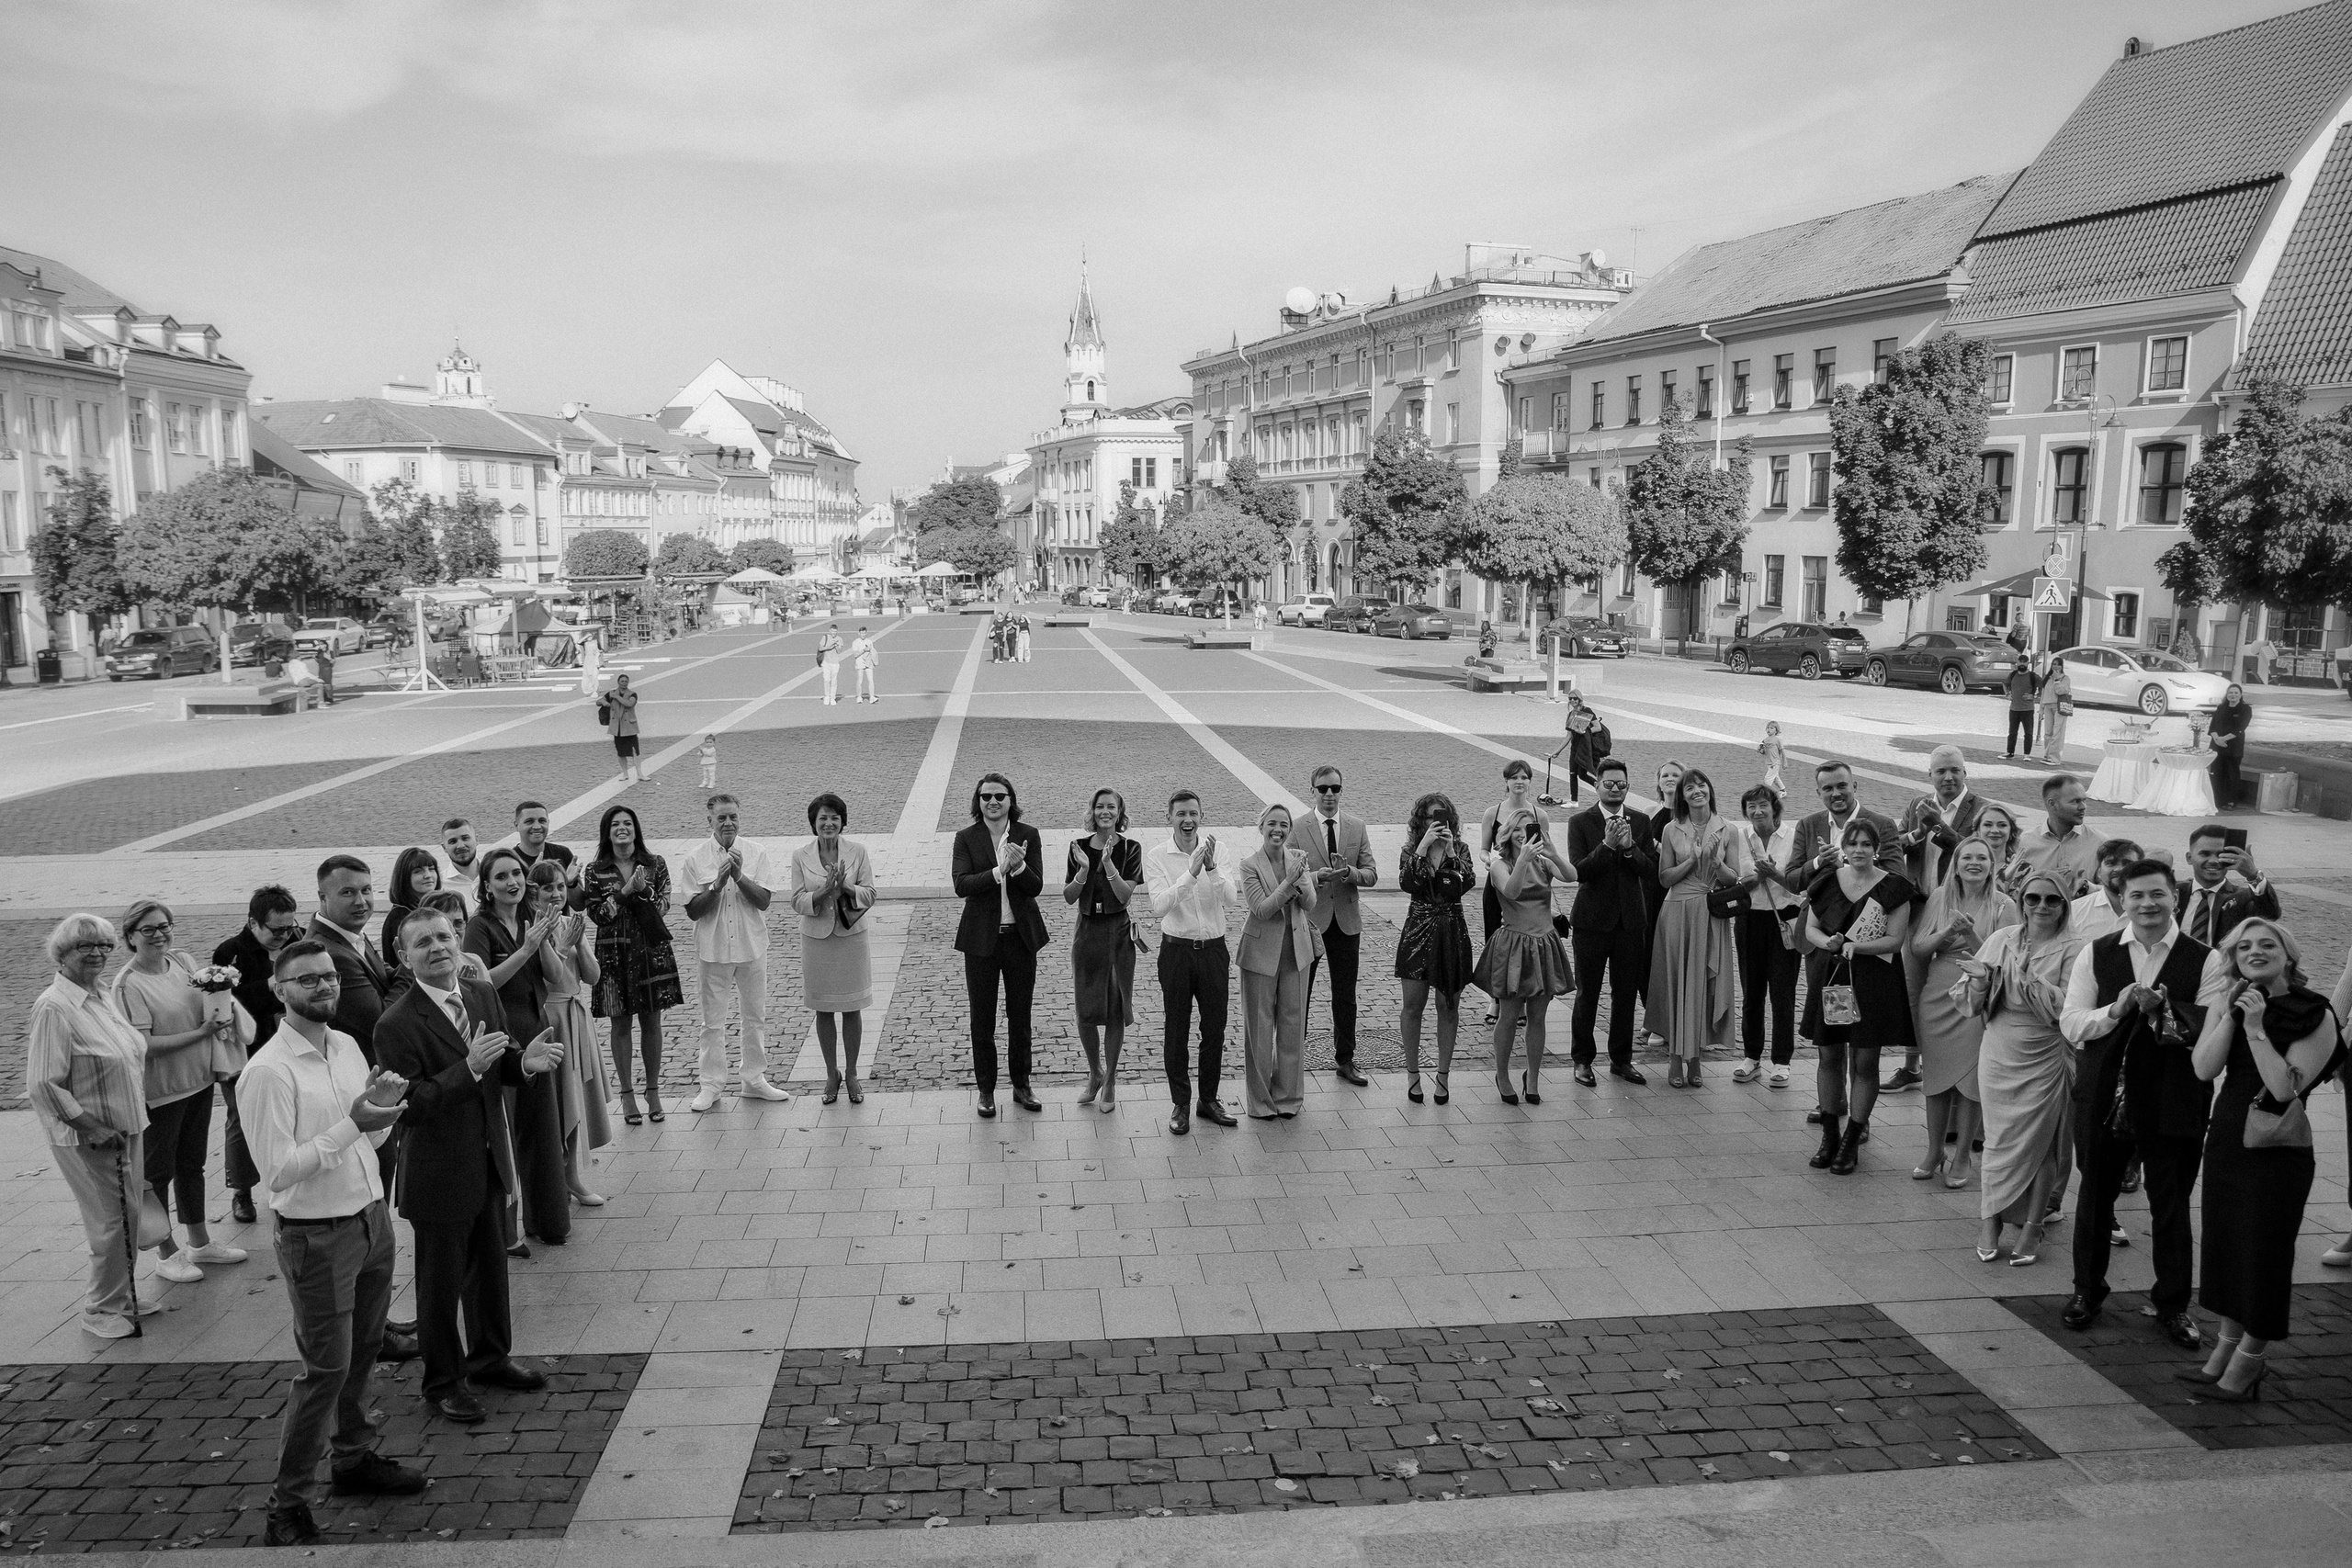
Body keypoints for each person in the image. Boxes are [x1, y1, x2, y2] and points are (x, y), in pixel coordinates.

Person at [239, 939, 424, 1546]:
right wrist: (356, 1121)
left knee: (366, 1347)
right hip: (316, 1237)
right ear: (278, 988)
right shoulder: (269, 1070)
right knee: (325, 1369)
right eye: (305, 980)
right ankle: (285, 1506)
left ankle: (351, 1458)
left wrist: (380, 1109)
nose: (322, 986)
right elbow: (279, 1171)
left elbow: (364, 1140)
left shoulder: (344, 1044)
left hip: (370, 1220)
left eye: (326, 977)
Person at [372, 908, 564, 1425]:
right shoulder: (396, 1023)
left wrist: (522, 1064)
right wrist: (470, 1067)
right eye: (423, 943)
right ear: (404, 956)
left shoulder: (480, 994)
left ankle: (490, 1359)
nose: (437, 948)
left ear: (458, 939)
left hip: (487, 1157)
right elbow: (410, 1105)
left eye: (443, 936)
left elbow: (501, 1056)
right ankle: (442, 1382)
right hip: (437, 1170)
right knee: (440, 1282)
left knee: (490, 1268)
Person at [2057, 859, 2226, 1347]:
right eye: (2137, 896)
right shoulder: (2098, 952)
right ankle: (2087, 1292)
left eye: (2157, 894)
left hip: (2175, 1095)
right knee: (2095, 1197)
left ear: (2175, 896)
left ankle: (2173, 1305)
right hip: (2103, 1092)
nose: (2148, 904)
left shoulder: (2205, 958)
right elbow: (2072, 1023)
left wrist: (2165, 1011)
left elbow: (2210, 1029)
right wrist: (2119, 1007)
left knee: (2170, 1202)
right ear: (2122, 901)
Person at [2181, 919, 2345, 1398]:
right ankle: (2224, 1348)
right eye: (2244, 946)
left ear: (2288, 955)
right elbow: (2203, 1067)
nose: (2255, 951)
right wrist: (2233, 1015)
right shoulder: (2230, 1002)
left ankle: (2250, 1360)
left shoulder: (2316, 1013)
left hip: (2276, 1150)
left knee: (2265, 1255)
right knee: (2230, 1247)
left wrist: (2255, 1028)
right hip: (2229, 1139)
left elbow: (2284, 1089)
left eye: (2267, 944)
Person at [112, 897, 253, 1284]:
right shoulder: (128, 984)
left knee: (192, 1165)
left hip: (199, 1081)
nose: (159, 935)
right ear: (130, 937)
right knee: (156, 1174)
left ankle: (200, 1241)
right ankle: (165, 1252)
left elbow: (207, 1003)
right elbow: (144, 1046)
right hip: (162, 1091)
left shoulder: (184, 962)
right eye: (149, 930)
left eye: (164, 926)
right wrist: (201, 1034)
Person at [28, 914, 152, 1339]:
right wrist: (92, 1126)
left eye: (104, 945)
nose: (97, 953)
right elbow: (43, 1082)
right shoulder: (55, 1006)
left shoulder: (99, 993)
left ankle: (124, 1294)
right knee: (110, 1221)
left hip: (127, 1125)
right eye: (86, 947)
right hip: (90, 1136)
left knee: (128, 1214)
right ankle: (100, 1308)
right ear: (62, 954)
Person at [1965, 869, 2078, 1264]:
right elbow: (1969, 1002)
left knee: (2041, 1145)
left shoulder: (2076, 948)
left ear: (2064, 904)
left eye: (2051, 900)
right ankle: (1990, 1219)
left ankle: (2033, 1225)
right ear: (2021, 902)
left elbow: (2070, 1008)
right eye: (2033, 899)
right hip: (1999, 1049)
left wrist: (2032, 980)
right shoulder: (2001, 939)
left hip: (2045, 1053)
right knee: (1996, 1140)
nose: (2041, 906)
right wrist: (1981, 982)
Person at [461, 848, 571, 1252]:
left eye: (517, 875)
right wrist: (524, 949)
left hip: (537, 1029)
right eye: (502, 877)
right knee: (505, 1135)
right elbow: (478, 982)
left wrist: (541, 941)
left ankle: (549, 1220)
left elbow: (556, 977)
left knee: (543, 1129)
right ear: (486, 887)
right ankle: (505, 1234)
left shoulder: (531, 916)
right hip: (501, 1034)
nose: (513, 882)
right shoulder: (480, 927)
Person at [1801, 821, 1918, 1174]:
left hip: (1873, 981)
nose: (1859, 850)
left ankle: (1853, 1137)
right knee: (1828, 1056)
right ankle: (1829, 1136)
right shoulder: (1826, 880)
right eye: (1852, 844)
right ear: (1844, 847)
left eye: (1866, 844)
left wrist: (1856, 946)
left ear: (1876, 848)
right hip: (1833, 979)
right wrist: (1830, 944)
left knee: (1865, 1063)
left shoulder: (1896, 887)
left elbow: (1895, 940)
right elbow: (1811, 929)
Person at [1908, 837, 2016, 1189]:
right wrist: (1947, 931)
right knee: (1936, 1078)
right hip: (1938, 993)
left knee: (1970, 1082)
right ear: (1955, 863)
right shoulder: (1940, 898)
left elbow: (2004, 960)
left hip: (1978, 996)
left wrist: (1969, 933)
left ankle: (1963, 1155)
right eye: (1966, 857)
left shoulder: (2004, 905)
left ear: (1991, 863)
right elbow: (1919, 948)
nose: (1974, 863)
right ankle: (1933, 1150)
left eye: (1981, 857)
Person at [680, 794, 788, 1111]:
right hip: (712, 949)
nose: (728, 823)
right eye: (722, 818)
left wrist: (739, 877)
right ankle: (711, 1084)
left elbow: (764, 901)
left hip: (751, 945)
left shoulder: (756, 853)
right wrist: (716, 885)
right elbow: (693, 911)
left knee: (754, 1016)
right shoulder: (695, 858)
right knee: (711, 1022)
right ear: (709, 820)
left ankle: (754, 1080)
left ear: (740, 818)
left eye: (733, 817)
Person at [952, 772, 1047, 1118]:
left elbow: (1035, 886)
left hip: (1020, 939)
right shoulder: (966, 838)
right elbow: (961, 884)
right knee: (983, 1019)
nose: (993, 801)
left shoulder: (1027, 835)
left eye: (1000, 796)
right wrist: (998, 871)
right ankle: (987, 1090)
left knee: (1020, 1016)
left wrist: (1019, 867)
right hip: (981, 941)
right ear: (978, 803)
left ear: (1011, 801)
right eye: (986, 796)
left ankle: (1022, 1085)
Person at [1145, 789, 1238, 1136]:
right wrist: (1191, 873)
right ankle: (1180, 1103)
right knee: (1177, 1030)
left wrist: (1211, 868)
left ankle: (1208, 1099)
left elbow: (1230, 897)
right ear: (1169, 817)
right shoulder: (1157, 856)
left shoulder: (1220, 850)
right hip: (1177, 951)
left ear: (1201, 816)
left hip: (1213, 949)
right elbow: (1159, 905)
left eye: (1193, 814)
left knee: (1214, 1029)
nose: (1188, 820)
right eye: (1181, 814)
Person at [585, 805, 683, 1125]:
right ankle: (627, 1094)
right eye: (616, 824)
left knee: (652, 1020)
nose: (622, 828)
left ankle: (653, 1091)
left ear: (636, 829)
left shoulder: (655, 864)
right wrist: (625, 893)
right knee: (620, 1024)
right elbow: (599, 915)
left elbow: (663, 907)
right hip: (613, 955)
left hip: (649, 951)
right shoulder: (595, 870)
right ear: (607, 831)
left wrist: (644, 890)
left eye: (628, 823)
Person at [1649, 769, 1747, 1088]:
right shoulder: (1670, 829)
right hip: (1677, 911)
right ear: (1682, 796)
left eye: (1701, 785)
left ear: (1710, 789)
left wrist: (1716, 862)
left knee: (1701, 988)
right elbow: (1664, 878)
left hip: (1710, 914)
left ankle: (1695, 1059)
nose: (1696, 791)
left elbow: (1734, 879)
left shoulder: (1728, 828)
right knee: (1678, 984)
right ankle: (1675, 1059)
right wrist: (1691, 860)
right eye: (1689, 788)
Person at [1475, 807, 1577, 1103]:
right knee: (1508, 1015)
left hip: (1544, 942)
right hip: (1514, 945)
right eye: (1517, 829)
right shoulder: (1499, 864)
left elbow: (1571, 876)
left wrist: (1555, 854)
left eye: (1527, 828)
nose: (1523, 834)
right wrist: (1522, 860)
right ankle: (1503, 1074)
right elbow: (1512, 890)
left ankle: (1532, 1076)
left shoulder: (1543, 861)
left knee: (1538, 1016)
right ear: (1507, 833)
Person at [213, 885, 302, 1224]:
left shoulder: (298, 942)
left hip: (292, 1045)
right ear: (253, 923)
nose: (284, 936)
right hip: (244, 1050)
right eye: (276, 929)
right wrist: (271, 986)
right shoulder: (230, 952)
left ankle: (291, 1178)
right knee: (241, 1119)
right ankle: (242, 1190)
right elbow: (229, 1004)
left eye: (289, 927)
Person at [1566, 758, 1654, 1088]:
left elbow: (1650, 872)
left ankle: (1621, 1059)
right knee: (1587, 993)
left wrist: (1630, 848)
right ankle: (1583, 1060)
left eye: (1621, 784)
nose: (1615, 789)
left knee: (1625, 994)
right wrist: (1607, 845)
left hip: (1631, 922)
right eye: (1609, 784)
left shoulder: (1641, 822)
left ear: (1628, 786)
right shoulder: (1580, 822)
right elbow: (1579, 871)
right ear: (1597, 785)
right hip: (1591, 921)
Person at [526, 861, 609, 1206]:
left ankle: (571, 1173)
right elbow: (551, 979)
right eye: (548, 888)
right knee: (560, 1098)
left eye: (561, 887)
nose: (557, 894)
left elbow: (591, 977)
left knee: (576, 1093)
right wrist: (563, 947)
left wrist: (581, 945)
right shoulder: (533, 928)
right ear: (535, 894)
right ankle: (563, 1176)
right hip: (552, 1015)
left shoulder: (569, 922)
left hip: (576, 1013)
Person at [1238, 802, 1321, 1119]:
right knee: (1259, 1030)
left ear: (1290, 829)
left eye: (1284, 825)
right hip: (1260, 956)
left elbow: (1310, 904)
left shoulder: (1298, 859)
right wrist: (1289, 882)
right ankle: (1260, 1103)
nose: (1278, 830)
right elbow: (1261, 909)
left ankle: (1288, 1099)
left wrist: (1302, 883)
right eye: (1272, 824)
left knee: (1292, 1026)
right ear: (1261, 828)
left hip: (1296, 952)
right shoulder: (1249, 865)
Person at [791, 792, 875, 1104]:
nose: (828, 823)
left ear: (843, 821)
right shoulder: (801, 855)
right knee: (823, 1009)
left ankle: (852, 1074)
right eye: (822, 818)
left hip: (851, 937)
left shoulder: (858, 852)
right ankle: (831, 1073)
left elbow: (870, 894)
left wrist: (846, 886)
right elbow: (797, 900)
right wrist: (824, 890)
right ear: (814, 823)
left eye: (834, 818)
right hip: (817, 940)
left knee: (852, 1007)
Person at [1396, 792, 1477, 1106]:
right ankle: (1413, 1074)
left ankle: (1443, 1076)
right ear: (1421, 820)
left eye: (1441, 816)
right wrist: (1423, 847)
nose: (1436, 822)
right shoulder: (1410, 850)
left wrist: (1452, 851)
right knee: (1412, 1007)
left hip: (1451, 931)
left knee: (1449, 1006)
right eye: (1430, 817)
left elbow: (1466, 883)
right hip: (1418, 929)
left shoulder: (1462, 850)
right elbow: (1408, 883)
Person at [1065, 787, 1144, 1111]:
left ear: (1120, 812)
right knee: (1085, 1011)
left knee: (1113, 1008)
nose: (1105, 812)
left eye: (1111, 807)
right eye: (1099, 807)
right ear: (1092, 811)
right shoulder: (1078, 848)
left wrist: (1109, 865)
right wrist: (1084, 872)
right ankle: (1094, 1072)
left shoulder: (1130, 848)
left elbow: (1125, 895)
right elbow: (1070, 897)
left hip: (1117, 932)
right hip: (1087, 931)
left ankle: (1110, 1078)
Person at [1300, 766, 1377, 1087]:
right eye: (1323, 789)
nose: (1329, 794)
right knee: (1299, 993)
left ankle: (1345, 1060)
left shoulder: (1356, 827)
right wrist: (1319, 877)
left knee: (1345, 995)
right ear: (1313, 791)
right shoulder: (1298, 827)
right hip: (1311, 921)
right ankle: (1291, 1060)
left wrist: (1349, 874)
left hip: (1345, 922)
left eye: (1335, 788)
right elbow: (1289, 873)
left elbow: (1371, 873)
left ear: (1341, 790)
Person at [1732, 785, 1801, 1086]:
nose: (1758, 812)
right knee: (1752, 992)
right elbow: (1737, 883)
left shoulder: (1793, 836)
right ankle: (1751, 1057)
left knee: (1783, 994)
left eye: (1763, 805)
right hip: (1750, 919)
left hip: (1784, 919)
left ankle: (1782, 1061)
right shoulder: (1740, 836)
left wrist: (1772, 874)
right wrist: (1758, 876)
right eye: (1751, 807)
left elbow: (1798, 884)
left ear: (1775, 807)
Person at [311, 856, 390, 1063]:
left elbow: (382, 972)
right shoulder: (332, 955)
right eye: (348, 892)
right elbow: (384, 1020)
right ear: (323, 897)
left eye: (366, 890)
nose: (361, 902)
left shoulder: (348, 932)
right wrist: (411, 969)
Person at [1479, 761, 1553, 943]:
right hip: (1501, 874)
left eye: (1524, 777)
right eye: (1514, 777)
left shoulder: (1540, 814)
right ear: (1506, 781)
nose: (1519, 782)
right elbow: (1483, 849)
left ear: (1529, 781)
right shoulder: (1492, 813)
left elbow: (1544, 848)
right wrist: (1488, 859)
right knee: (1494, 929)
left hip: (1532, 877)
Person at [2181, 823, 2279, 949]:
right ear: (2189, 858)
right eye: (2205, 854)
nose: (2213, 861)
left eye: (2221, 855)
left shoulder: (2242, 898)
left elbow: (2270, 914)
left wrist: (2253, 875)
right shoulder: (2174, 893)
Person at [2013, 773, 2105, 898]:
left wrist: (2087, 887)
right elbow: (2012, 889)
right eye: (2076, 801)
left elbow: (2117, 890)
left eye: (2084, 800)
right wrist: (2042, 882)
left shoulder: (2100, 842)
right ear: (2052, 804)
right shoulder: (2025, 843)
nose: (2083, 807)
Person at [2068, 838, 2146, 945]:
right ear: (2099, 872)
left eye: (2127, 863)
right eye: (2111, 863)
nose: (2119, 869)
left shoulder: (2154, 911)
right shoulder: (2074, 911)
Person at [383, 848, 449, 965]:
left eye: (431, 869)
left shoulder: (427, 910)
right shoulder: (401, 918)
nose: (428, 875)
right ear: (404, 878)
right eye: (418, 871)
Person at [2208, 683, 2252, 807]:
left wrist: (2224, 739)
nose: (2233, 695)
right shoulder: (2221, 708)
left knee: (2232, 774)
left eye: (2236, 693)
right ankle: (2218, 800)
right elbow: (2213, 727)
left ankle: (2231, 801)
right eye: (2230, 693)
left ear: (2240, 695)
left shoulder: (2245, 709)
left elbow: (2240, 728)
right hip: (2217, 745)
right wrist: (2217, 739)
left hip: (2233, 747)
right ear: (2227, 695)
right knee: (2217, 773)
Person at [512, 800, 577, 882]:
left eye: (542, 821)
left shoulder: (563, 853)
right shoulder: (511, 860)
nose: (537, 826)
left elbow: (580, 893)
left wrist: (570, 883)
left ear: (548, 823)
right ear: (516, 825)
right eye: (529, 821)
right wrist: (532, 877)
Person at [603, 674, 643, 783]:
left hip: (630, 727)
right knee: (620, 752)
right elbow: (599, 701)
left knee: (635, 751)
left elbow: (629, 704)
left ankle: (640, 774)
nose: (624, 683)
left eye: (626, 681)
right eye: (622, 681)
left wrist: (616, 697)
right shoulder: (611, 693)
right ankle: (625, 773)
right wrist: (605, 703)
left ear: (628, 682)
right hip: (618, 728)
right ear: (618, 682)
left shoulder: (632, 694)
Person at [2036, 656, 2074, 763]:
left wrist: (2057, 680)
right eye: (2054, 664)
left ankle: (2055, 758)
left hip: (2059, 706)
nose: (2056, 666)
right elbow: (2044, 694)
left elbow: (2061, 691)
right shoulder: (2047, 678)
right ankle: (2047, 755)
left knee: (2058, 733)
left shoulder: (2065, 679)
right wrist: (2041, 709)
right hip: (2048, 706)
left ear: (2062, 666)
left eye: (2058, 664)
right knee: (2048, 733)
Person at [2003, 657, 2038, 761]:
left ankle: (2027, 754)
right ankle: (2010, 752)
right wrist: (2007, 694)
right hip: (2014, 709)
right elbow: (2005, 684)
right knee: (2012, 732)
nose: (2022, 664)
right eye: (2020, 661)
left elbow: (2043, 685)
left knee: (2028, 733)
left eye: (2024, 662)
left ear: (2028, 663)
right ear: (2017, 662)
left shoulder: (2032, 676)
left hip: (2028, 709)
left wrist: (2035, 696)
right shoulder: (2013, 675)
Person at [441, 818, 481, 896]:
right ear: (444, 847)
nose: (460, 846)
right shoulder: (439, 886)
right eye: (453, 841)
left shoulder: (494, 876)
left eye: (465, 838)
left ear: (477, 840)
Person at [1758, 720, 1787, 798]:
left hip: (1775, 763)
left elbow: (1782, 751)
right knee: (1775, 778)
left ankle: (1766, 794)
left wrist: (1785, 762)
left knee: (1768, 779)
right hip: (1768, 762)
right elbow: (1764, 752)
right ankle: (1783, 790)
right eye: (1768, 728)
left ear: (1776, 730)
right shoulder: (1765, 740)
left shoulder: (1777, 740)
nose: (1769, 729)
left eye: (1771, 728)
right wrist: (1761, 750)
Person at [819, 624, 844, 704]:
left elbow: (839, 651)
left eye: (835, 631)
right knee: (826, 680)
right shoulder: (825, 637)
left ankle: (833, 697)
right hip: (826, 662)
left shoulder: (839, 639)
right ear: (830, 631)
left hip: (835, 662)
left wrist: (836, 645)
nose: (834, 633)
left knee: (834, 681)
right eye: (832, 631)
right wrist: (829, 647)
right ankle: (827, 696)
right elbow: (820, 648)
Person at [853, 628, 880, 702]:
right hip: (860, 663)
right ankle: (859, 697)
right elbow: (855, 654)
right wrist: (864, 650)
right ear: (859, 633)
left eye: (864, 633)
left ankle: (872, 697)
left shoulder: (869, 641)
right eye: (861, 633)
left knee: (870, 680)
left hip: (868, 662)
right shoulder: (855, 642)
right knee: (860, 680)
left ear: (866, 633)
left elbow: (872, 651)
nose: (863, 635)